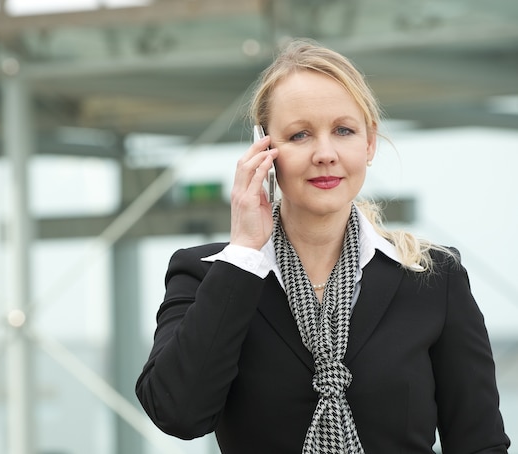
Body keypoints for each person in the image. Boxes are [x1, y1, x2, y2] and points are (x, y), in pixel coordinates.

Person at [135, 39, 511, 453]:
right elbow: (177, 414)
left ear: (368, 143)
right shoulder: (209, 274)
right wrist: (243, 253)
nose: (325, 154)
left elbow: (480, 443)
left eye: (344, 131)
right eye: (300, 135)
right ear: (265, 149)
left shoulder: (433, 279)